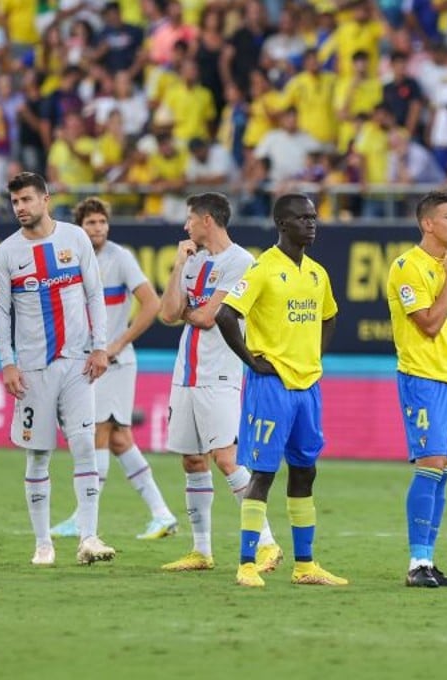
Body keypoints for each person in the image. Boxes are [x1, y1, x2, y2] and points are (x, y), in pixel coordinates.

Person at [217, 193, 348, 588]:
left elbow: (329, 316)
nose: (312, 223)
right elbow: (226, 314)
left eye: (313, 217)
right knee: (263, 473)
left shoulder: (317, 273)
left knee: (306, 472)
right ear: (282, 224)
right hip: (271, 385)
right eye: (303, 218)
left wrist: (313, 358)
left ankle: (305, 566)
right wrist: (252, 360)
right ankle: (246, 563)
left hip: (307, 386)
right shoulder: (263, 269)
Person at [0, 172, 116, 566]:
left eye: (27, 199)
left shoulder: (75, 239)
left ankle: (89, 537)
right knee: (38, 455)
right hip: (32, 369)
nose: (20, 208)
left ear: (46, 199)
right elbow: (0, 310)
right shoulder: (6, 253)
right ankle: (43, 544)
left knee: (84, 447)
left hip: (78, 363)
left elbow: (95, 294)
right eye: (15, 202)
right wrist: (7, 362)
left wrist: (100, 348)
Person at [156, 192, 281, 573]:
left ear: (207, 220)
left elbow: (210, 317)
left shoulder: (242, 262)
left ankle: (268, 544)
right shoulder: (192, 261)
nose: (185, 226)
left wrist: (185, 311)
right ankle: (201, 551)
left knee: (226, 457)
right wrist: (178, 266)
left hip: (220, 372)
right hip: (186, 373)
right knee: (193, 460)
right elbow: (166, 314)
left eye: (190, 219)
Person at [50, 198, 179, 541]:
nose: (98, 228)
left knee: (98, 435)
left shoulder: (119, 258)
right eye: (91, 222)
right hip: (89, 360)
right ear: (80, 227)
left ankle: (83, 518)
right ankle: (162, 513)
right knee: (121, 440)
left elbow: (152, 303)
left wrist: (118, 344)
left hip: (114, 363)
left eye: (102, 222)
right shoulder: (71, 259)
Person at [385, 190, 447, 588]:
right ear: (427, 224)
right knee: (430, 465)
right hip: (423, 378)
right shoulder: (408, 267)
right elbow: (430, 324)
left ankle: (429, 561)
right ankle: (417, 562)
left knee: (445, 471)